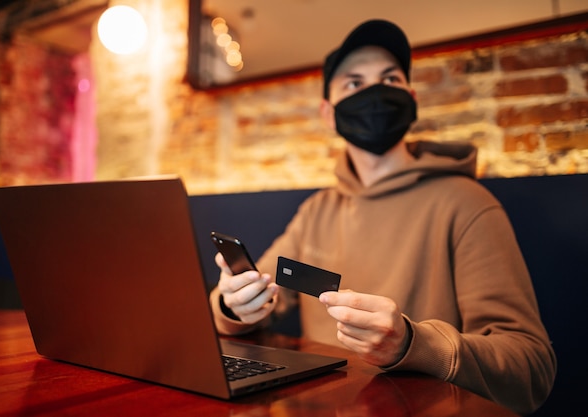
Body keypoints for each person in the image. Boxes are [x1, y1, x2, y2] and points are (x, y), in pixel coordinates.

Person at [209, 19, 556, 415]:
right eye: (354, 84)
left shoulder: (467, 204)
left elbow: (531, 368)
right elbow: (257, 290)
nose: (375, 93)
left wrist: (413, 344)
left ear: (410, 98)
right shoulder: (317, 210)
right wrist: (235, 304)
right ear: (328, 113)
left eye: (389, 80)